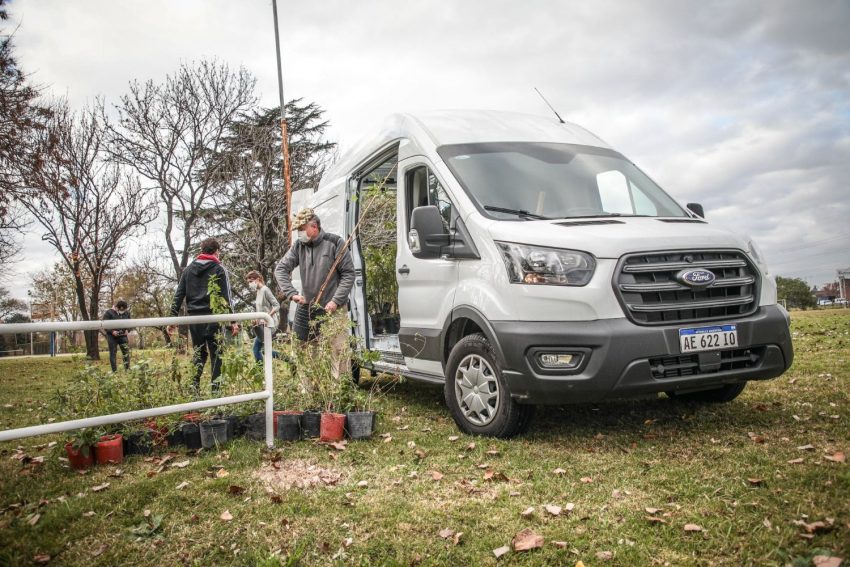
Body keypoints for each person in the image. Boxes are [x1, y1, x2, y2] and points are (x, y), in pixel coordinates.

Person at [274, 208, 355, 378]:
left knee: (338, 350)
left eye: (301, 229)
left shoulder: (335, 243)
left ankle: (340, 392)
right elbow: (280, 269)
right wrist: (291, 293)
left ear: (315, 226)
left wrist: (336, 300)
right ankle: (311, 393)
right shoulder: (299, 246)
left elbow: (348, 274)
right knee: (307, 351)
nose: (299, 233)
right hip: (309, 307)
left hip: (334, 308)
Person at [167, 237, 239, 396]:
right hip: (213, 317)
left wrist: (172, 319)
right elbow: (227, 297)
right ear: (217, 251)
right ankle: (216, 393)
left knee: (199, 353)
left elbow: (178, 295)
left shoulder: (188, 270)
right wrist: (233, 321)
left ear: (201, 250)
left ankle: (194, 389)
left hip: (194, 319)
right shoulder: (220, 269)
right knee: (217, 355)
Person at [246, 270, 280, 362]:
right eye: (249, 282)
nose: (250, 284)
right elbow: (259, 309)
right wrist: (257, 321)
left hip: (270, 323)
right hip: (262, 325)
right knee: (261, 350)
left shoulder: (265, 290)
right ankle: (290, 361)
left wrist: (267, 317)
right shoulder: (258, 291)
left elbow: (277, 305)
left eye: (251, 281)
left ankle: (260, 372)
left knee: (257, 349)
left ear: (258, 279)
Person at [102, 299, 131, 372]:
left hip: (123, 336)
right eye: (120, 309)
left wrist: (128, 330)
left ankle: (127, 369)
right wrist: (112, 331)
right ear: (117, 307)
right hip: (112, 337)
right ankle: (114, 371)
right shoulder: (109, 313)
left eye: (123, 309)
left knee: (126, 353)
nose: (122, 311)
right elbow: (104, 325)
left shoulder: (127, 313)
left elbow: (130, 323)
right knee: (112, 353)